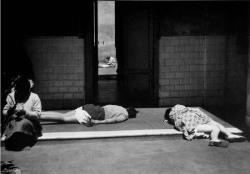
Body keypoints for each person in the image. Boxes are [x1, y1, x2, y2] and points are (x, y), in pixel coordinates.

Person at [164, 104, 246, 148]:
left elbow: (174, 120)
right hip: (196, 115)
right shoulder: (180, 108)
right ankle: (228, 135)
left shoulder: (174, 115)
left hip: (192, 120)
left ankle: (215, 139)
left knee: (215, 128)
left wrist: (167, 120)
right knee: (216, 125)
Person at [2, 77, 42, 151]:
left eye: (23, 92)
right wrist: (9, 112)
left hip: (30, 123)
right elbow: (4, 112)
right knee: (15, 123)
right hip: (14, 121)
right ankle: (16, 141)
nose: (21, 94)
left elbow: (37, 115)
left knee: (23, 123)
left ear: (28, 90)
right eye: (18, 91)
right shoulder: (11, 96)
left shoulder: (34, 97)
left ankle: (21, 142)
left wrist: (25, 112)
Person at [40, 104, 138, 126]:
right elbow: (113, 120)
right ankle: (35, 116)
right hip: (90, 114)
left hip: (89, 107)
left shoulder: (120, 107)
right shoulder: (125, 115)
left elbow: (106, 107)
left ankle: (38, 113)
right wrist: (98, 122)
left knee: (63, 115)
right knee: (63, 119)